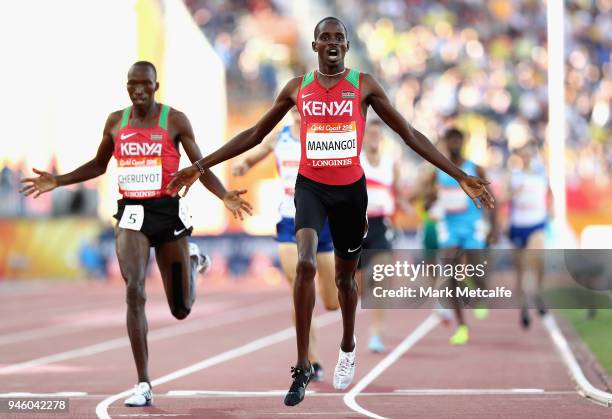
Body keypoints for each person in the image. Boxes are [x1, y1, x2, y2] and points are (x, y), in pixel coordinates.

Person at [166, 17, 493, 406]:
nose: (333, 42)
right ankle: (302, 365)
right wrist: (200, 166)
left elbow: (408, 133)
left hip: (351, 193)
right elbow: (254, 134)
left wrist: (457, 175)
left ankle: (348, 344)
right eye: (326, 37)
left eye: (340, 37)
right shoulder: (296, 89)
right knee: (304, 264)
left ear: (347, 46)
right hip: (311, 188)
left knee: (344, 282)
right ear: (315, 44)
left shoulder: (364, 85)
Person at [20, 61, 252, 407]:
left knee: (181, 309)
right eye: (132, 85)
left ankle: (190, 262)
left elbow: (198, 167)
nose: (138, 90)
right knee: (134, 290)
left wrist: (224, 195)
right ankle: (143, 382)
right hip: (131, 212)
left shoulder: (174, 120)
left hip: (167, 211)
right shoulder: (116, 122)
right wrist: (60, 180)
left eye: (145, 84)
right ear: (126, 87)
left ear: (156, 86)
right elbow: (99, 165)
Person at [231, 107, 339, 380]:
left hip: (323, 222)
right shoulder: (279, 138)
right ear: (292, 108)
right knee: (299, 285)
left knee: (332, 302)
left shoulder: (326, 135)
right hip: (290, 219)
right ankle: (310, 360)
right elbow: (254, 155)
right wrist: (243, 164)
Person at [424, 127, 498, 345]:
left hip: (472, 225)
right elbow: (427, 197)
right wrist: (431, 203)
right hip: (449, 227)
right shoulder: (437, 170)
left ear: (463, 141)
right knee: (451, 276)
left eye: (458, 139)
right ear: (446, 142)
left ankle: (481, 292)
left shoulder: (474, 168)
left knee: (476, 272)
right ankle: (461, 326)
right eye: (451, 139)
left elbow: (491, 197)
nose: (455, 143)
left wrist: (494, 227)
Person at [358, 119, 404, 353]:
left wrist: (406, 204)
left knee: (382, 277)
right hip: (355, 225)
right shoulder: (355, 161)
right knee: (360, 286)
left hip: (380, 225)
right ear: (363, 136)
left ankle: (376, 332)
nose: (374, 138)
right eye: (370, 134)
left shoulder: (390, 164)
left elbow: (397, 192)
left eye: (377, 134)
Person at [504, 141, 551, 328]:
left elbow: (551, 193)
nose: (527, 157)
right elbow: (501, 199)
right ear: (519, 157)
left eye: (530, 154)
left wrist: (551, 210)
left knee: (535, 262)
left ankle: (537, 294)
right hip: (518, 226)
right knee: (520, 270)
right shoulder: (513, 176)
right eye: (523, 154)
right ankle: (523, 307)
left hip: (537, 224)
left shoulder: (542, 174)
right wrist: (515, 193)